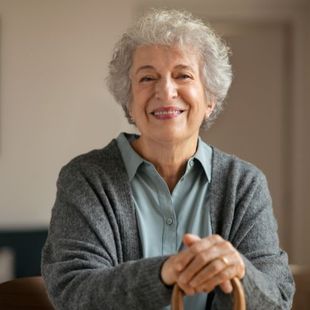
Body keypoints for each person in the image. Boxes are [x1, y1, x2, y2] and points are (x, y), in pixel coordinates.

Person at [41, 9, 295, 309]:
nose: (165, 90)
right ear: (129, 101)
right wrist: (164, 274)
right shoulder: (85, 178)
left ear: (210, 99)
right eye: (147, 77)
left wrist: (239, 270)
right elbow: (73, 293)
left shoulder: (244, 184)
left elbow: (277, 301)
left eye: (183, 75)